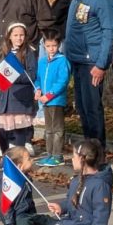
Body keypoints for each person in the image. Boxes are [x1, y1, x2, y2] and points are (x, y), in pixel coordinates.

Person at [64, 0, 113, 146]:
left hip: (92, 62)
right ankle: (89, 148)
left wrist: (101, 64)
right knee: (82, 107)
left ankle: (97, 152)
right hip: (78, 60)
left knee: (92, 108)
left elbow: (109, 31)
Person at [47, 139, 113, 225]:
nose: (72, 159)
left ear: (82, 159)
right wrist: (61, 207)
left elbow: (101, 212)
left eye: (74, 156)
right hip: (73, 220)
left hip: (87, 224)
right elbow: (71, 200)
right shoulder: (75, 179)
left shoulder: (99, 184)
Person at [0, 22, 39, 154]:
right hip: (5, 99)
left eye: (21, 35)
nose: (19, 38)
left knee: (18, 132)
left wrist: (14, 76)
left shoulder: (29, 52)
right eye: (15, 35)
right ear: (9, 36)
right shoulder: (4, 52)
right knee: (4, 132)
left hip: (20, 99)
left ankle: (17, 159)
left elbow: (31, 75)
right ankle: (6, 157)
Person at [35, 30, 71, 167]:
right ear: (44, 45)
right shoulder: (43, 61)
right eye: (48, 46)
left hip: (56, 100)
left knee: (57, 129)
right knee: (48, 129)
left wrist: (49, 95)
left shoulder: (62, 61)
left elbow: (62, 81)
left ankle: (58, 155)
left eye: (54, 46)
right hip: (44, 100)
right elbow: (37, 78)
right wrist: (37, 89)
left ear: (59, 45)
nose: (51, 49)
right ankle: (49, 154)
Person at [0, 146, 53, 225]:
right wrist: (9, 223)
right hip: (16, 215)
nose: (32, 160)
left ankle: (39, 219)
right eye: (28, 159)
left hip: (27, 211)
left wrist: (32, 210)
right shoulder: (8, 180)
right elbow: (5, 204)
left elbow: (28, 197)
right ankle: (30, 221)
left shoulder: (26, 176)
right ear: (20, 165)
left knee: (42, 219)